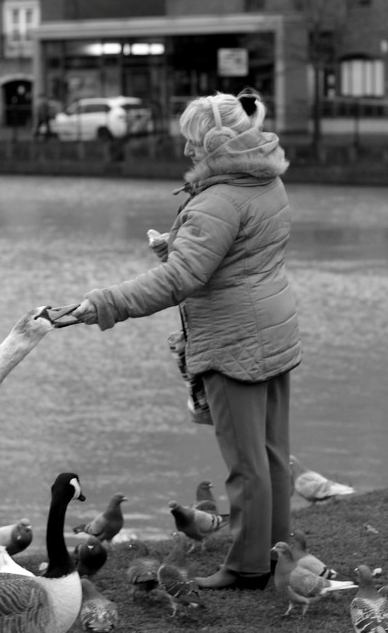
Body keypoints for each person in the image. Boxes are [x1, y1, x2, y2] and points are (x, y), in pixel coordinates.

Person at [70, 88, 301, 591]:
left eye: (194, 142)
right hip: (274, 324)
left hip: (234, 337)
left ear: (217, 143)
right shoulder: (267, 181)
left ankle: (246, 568)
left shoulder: (216, 201)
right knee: (273, 454)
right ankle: (280, 552)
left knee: (246, 464)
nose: (188, 151)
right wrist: (180, 245)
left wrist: (105, 303)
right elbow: (241, 252)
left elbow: (180, 280)